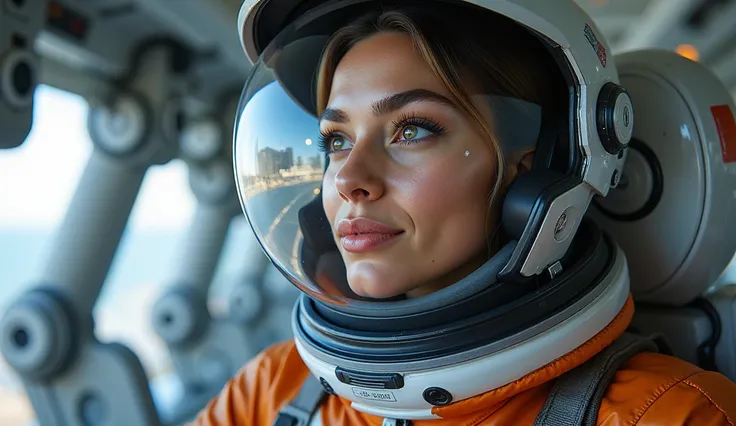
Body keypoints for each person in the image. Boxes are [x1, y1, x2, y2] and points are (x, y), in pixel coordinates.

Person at [190, 0, 736, 425]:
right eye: (335, 140)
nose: (349, 179)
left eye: (412, 130)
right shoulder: (269, 391)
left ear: (538, 163)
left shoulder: (671, 414)